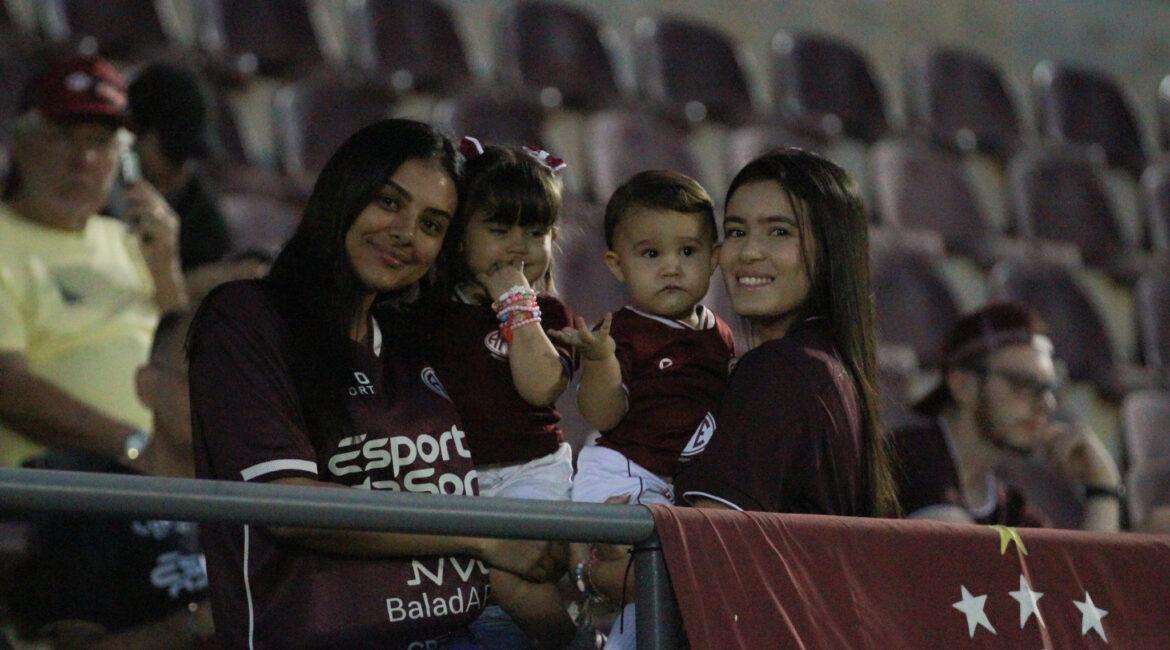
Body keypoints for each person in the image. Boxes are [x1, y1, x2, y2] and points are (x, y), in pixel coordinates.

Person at [188, 119, 556, 648]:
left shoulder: (420, 336)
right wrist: (482, 534)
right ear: (344, 191)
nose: (406, 233)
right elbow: (286, 507)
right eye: (389, 202)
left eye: (432, 225)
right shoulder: (247, 318)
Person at [549, 170, 735, 648]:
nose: (671, 267)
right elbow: (602, 416)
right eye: (651, 254)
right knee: (655, 583)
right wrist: (600, 361)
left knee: (665, 603)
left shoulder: (720, 335)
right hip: (621, 474)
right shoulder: (621, 333)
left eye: (687, 252)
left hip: (672, 485)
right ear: (617, 264)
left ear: (714, 258)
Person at [674, 148, 899, 519]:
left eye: (779, 232)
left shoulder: (780, 370)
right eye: (736, 231)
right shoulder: (829, 367)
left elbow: (708, 543)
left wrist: (610, 553)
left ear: (831, 251)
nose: (749, 252)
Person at [423, 138, 576, 649]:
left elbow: (539, 387)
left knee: (510, 575)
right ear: (459, 237)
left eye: (535, 232)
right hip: (452, 479)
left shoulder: (548, 315)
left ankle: (574, 643)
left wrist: (516, 306)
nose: (518, 247)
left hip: (530, 472)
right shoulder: (430, 310)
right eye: (498, 229)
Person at [0, 54, 187, 468]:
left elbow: (185, 371)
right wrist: (135, 446)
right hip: (56, 486)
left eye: (100, 142)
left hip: (154, 481)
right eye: (63, 136)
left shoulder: (130, 241)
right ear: (20, 145)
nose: (82, 160)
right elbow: (7, 386)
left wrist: (167, 272)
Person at [9, 311, 214, 649]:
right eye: (198, 378)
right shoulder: (91, 502)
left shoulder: (265, 500)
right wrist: (196, 624)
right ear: (147, 386)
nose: (218, 398)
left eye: (236, 383)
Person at [890, 302, 1122, 531]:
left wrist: (1103, 487)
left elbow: (1083, 559)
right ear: (963, 385)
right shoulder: (905, 459)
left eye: (1049, 389)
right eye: (1023, 384)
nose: (1047, 404)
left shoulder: (1009, 506)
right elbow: (958, 546)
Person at [126, 63, 231, 271]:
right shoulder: (96, 195)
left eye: (188, 156)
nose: (181, 169)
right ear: (133, 133)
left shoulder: (193, 200)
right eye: (172, 153)